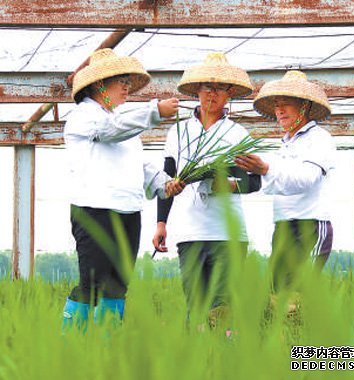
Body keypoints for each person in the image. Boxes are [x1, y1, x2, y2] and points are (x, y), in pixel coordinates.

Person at [62, 48, 184, 329]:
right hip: (94, 210)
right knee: (91, 282)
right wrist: (154, 111)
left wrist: (165, 184)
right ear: (99, 85)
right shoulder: (84, 116)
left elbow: (140, 164)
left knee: (117, 284)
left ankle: (109, 349)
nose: (127, 87)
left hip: (129, 211)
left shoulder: (124, 124)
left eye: (128, 81)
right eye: (121, 81)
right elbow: (110, 130)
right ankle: (69, 344)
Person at [152, 53, 261, 325]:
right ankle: (197, 363)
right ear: (197, 90)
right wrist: (161, 223)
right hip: (190, 232)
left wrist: (224, 185)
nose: (212, 94)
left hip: (227, 233)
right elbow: (168, 179)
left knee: (223, 309)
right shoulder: (177, 132)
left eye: (220, 88)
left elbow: (254, 182)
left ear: (230, 94)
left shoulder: (237, 134)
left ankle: (225, 362)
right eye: (207, 87)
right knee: (196, 308)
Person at [235, 70, 335, 292]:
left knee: (298, 296)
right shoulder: (285, 144)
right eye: (277, 105)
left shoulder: (319, 139)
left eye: (286, 103)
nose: (279, 110)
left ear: (305, 106)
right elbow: (273, 182)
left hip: (310, 227)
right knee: (277, 296)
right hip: (283, 226)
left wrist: (265, 168)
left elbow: (306, 179)